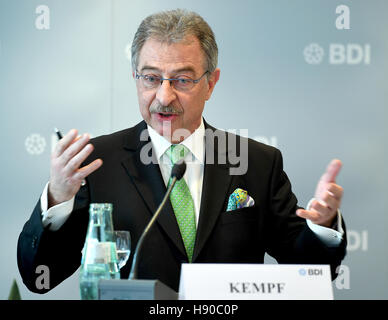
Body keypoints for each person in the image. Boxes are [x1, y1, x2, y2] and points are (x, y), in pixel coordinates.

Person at [17, 9, 346, 294]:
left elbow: (309, 269)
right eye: (151, 78)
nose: (164, 96)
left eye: (182, 80)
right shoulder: (95, 164)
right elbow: (40, 277)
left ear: (211, 83)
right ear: (135, 77)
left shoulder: (256, 162)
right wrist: (58, 197)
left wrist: (323, 226)